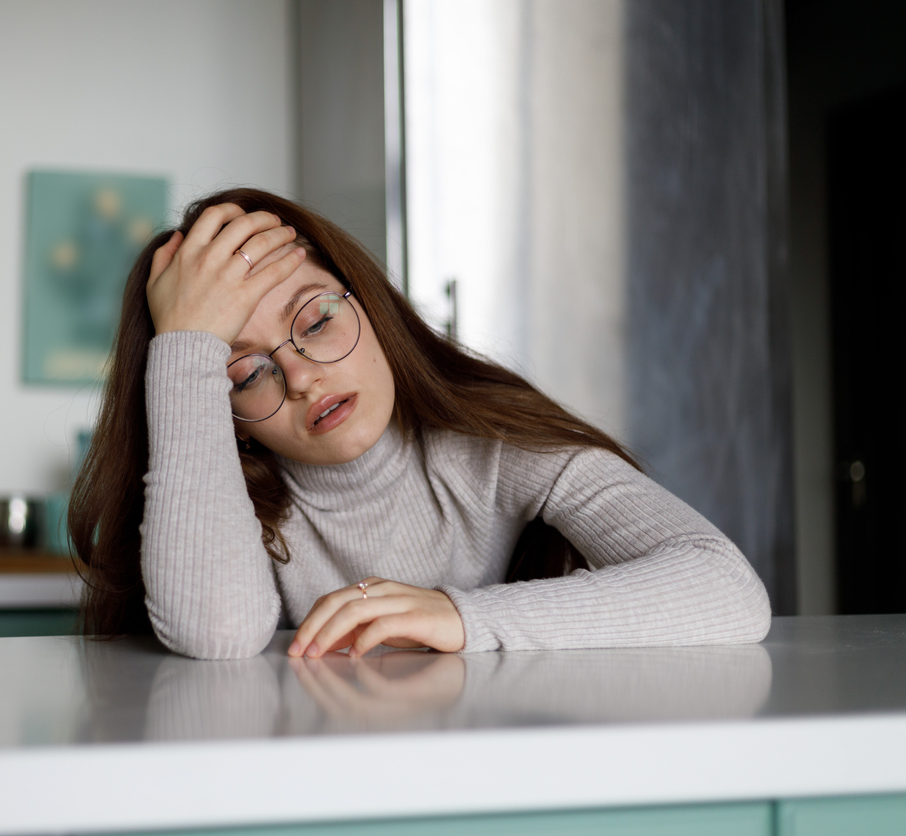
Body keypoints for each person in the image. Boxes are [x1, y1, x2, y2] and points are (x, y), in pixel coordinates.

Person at [69, 187, 771, 661]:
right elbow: (216, 633)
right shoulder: (230, 501)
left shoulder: (494, 447)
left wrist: (462, 617)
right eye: (246, 375)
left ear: (369, 304)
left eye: (316, 319)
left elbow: (726, 589)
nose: (305, 376)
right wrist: (186, 347)